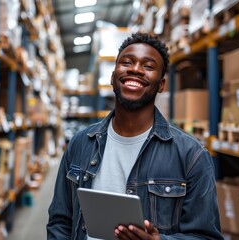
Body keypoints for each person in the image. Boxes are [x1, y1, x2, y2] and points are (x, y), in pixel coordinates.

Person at [47, 32, 223, 240]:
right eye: (127, 62)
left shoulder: (191, 155)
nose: (135, 69)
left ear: (161, 85)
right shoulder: (81, 143)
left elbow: (206, 237)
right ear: (113, 76)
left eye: (148, 66)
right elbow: (60, 222)